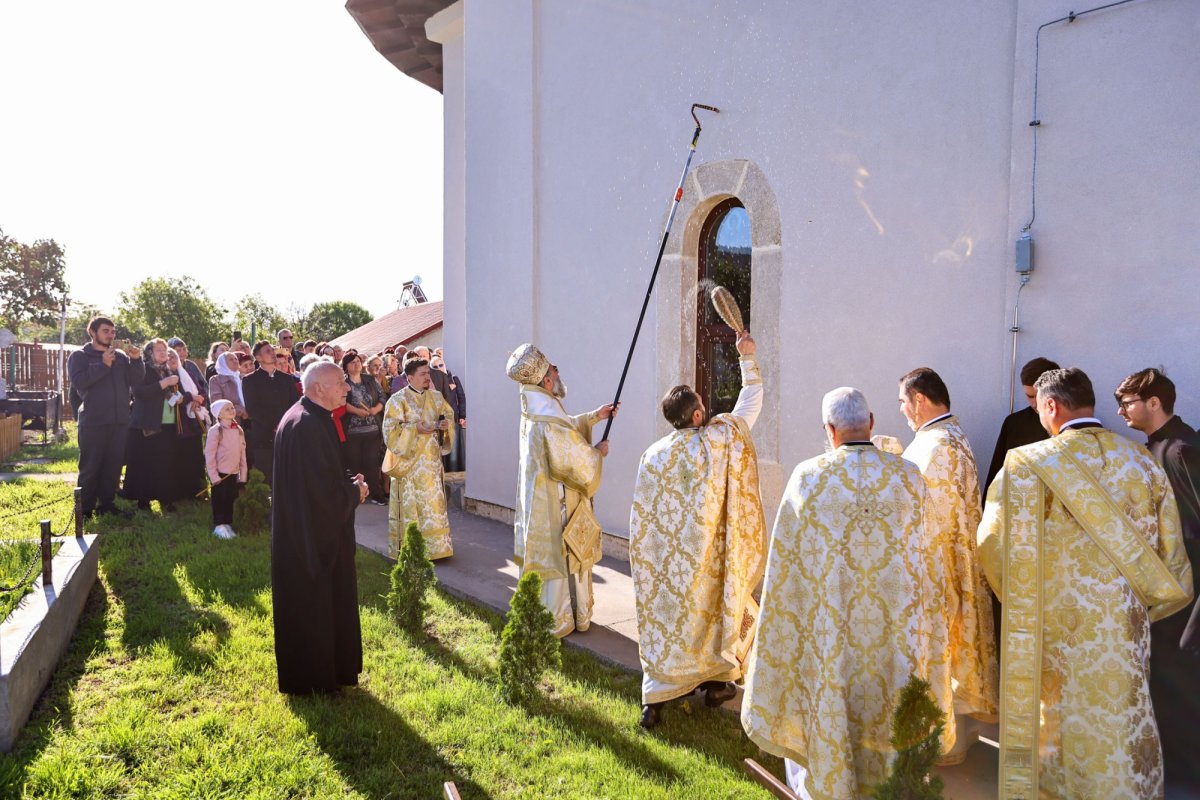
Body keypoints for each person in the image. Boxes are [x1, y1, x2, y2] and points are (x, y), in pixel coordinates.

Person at [978, 367, 1193, 799]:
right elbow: (1173, 562)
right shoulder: (1142, 462)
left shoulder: (1025, 467)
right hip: (1125, 628)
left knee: (1060, 716)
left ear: (1051, 406)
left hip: (1058, 628)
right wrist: (1144, 609)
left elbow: (992, 547)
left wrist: (1023, 605)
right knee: (1122, 712)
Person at [741, 387, 953, 800]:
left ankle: (827, 783)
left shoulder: (809, 477)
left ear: (830, 430)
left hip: (831, 631)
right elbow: (930, 559)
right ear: (871, 423)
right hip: (894, 635)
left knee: (828, 698)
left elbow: (786, 565)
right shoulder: (909, 477)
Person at [630, 331, 765, 729]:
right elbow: (750, 404)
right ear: (695, 416)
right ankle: (718, 682)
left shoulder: (652, 456)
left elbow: (641, 516)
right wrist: (747, 359)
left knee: (668, 625)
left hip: (667, 564)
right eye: (703, 407)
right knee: (717, 614)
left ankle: (655, 700)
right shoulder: (718, 441)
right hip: (708, 560)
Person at [897, 367, 998, 759]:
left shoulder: (937, 445)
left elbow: (916, 508)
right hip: (949, 564)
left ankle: (941, 745)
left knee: (939, 654)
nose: (903, 410)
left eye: (904, 402)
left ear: (919, 400)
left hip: (936, 571)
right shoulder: (946, 436)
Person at [1114, 367, 1200, 789]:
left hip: (1193, 594)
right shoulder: (1156, 448)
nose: (1120, 411)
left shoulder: (1183, 449)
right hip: (1171, 590)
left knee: (1185, 680)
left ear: (1154, 403)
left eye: (1127, 402)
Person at [271, 361, 368, 695]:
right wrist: (355, 492)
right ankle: (316, 678)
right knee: (315, 607)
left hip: (306, 532)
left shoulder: (312, 417)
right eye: (340, 383)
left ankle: (326, 672)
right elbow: (322, 496)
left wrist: (347, 482)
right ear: (318, 389)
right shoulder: (307, 425)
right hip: (312, 542)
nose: (347, 388)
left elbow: (321, 476)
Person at [508, 344, 615, 637]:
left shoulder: (536, 405)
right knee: (562, 554)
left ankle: (548, 613)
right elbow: (569, 456)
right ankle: (559, 619)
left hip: (540, 497)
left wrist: (595, 416)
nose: (558, 371)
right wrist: (596, 453)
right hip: (556, 501)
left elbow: (567, 427)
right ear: (545, 380)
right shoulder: (546, 416)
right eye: (554, 369)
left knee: (553, 556)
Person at [67, 316, 144, 518]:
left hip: (119, 421)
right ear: (92, 332)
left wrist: (136, 360)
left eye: (112, 331)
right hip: (93, 421)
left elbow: (136, 380)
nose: (110, 335)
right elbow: (80, 383)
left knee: (113, 465)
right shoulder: (80, 356)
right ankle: (84, 510)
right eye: (105, 331)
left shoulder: (120, 356)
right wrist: (103, 365)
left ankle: (106, 504)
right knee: (91, 466)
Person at [382, 357, 455, 558]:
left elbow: (448, 416)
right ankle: (413, 550)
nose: (427, 377)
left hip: (431, 463)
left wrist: (444, 426)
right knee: (413, 506)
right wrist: (415, 428)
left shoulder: (437, 397)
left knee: (434, 505)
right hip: (410, 464)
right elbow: (390, 432)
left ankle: (437, 549)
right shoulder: (397, 400)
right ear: (409, 377)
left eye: (428, 373)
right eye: (422, 374)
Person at [123, 339, 189, 512]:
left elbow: (170, 395)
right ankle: (143, 502)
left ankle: (166, 499)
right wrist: (165, 383)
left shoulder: (167, 370)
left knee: (165, 463)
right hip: (147, 424)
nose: (163, 353)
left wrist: (179, 397)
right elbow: (139, 392)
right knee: (145, 463)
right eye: (158, 349)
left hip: (167, 424)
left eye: (165, 350)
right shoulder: (143, 368)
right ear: (149, 352)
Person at [985, 356, 1060, 490]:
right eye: (1029, 396)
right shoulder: (1014, 424)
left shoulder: (1071, 424)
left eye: (1038, 396)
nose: (1034, 403)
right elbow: (996, 477)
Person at [241, 341, 300, 485]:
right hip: (263, 436)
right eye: (268, 351)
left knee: (288, 477)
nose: (273, 353)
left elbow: (295, 404)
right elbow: (252, 408)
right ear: (259, 357)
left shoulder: (287, 379)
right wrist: (274, 424)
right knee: (267, 478)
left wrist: (286, 424)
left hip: (287, 435)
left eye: (272, 350)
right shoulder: (250, 380)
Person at [341, 351, 386, 504]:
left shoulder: (370, 379)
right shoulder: (343, 382)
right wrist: (355, 410)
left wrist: (376, 409)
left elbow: (382, 396)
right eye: (352, 362)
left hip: (372, 429)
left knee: (371, 462)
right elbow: (339, 401)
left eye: (358, 361)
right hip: (352, 430)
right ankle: (357, 493)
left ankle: (376, 494)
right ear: (346, 366)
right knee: (354, 462)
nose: (357, 364)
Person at [166, 347, 208, 500]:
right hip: (174, 426)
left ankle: (197, 491)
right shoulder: (164, 377)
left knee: (194, 458)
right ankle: (181, 494)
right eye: (168, 357)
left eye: (174, 357)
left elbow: (202, 391)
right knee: (179, 459)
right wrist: (191, 397)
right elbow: (171, 400)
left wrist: (199, 400)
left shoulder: (187, 373)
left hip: (192, 425)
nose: (172, 360)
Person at [205, 399, 246, 540]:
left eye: (232, 407)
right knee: (220, 498)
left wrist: (243, 474)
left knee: (230, 498)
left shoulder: (239, 430)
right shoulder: (216, 431)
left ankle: (227, 523)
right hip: (220, 474)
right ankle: (219, 524)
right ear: (219, 415)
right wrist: (213, 476)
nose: (231, 410)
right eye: (227, 409)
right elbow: (209, 454)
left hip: (233, 473)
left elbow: (242, 453)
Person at [431, 354, 467, 473]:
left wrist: (462, 416)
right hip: (438, 422)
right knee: (442, 451)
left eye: (441, 365)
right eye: (435, 366)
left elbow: (461, 398)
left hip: (453, 420)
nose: (439, 367)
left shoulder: (454, 378)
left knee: (455, 451)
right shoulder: (432, 382)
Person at [208, 352, 247, 420]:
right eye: (231, 359)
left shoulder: (244, 378)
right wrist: (242, 411)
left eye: (236, 359)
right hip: (229, 423)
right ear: (223, 363)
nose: (235, 361)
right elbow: (218, 404)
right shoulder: (216, 380)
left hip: (250, 420)